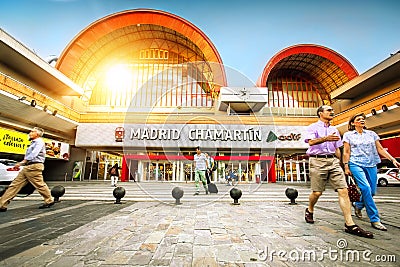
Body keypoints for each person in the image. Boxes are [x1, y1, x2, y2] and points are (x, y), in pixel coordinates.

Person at [304, 105, 373, 238]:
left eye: (332, 110)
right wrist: (325, 138)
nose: (332, 112)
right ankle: (310, 209)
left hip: (333, 161)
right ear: (320, 113)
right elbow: (311, 142)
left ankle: (349, 224)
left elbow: (337, 149)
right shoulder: (312, 127)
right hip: (317, 161)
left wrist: (341, 164)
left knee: (343, 190)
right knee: (317, 192)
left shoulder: (334, 129)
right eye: (328, 110)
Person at [342, 113, 400, 231]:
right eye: (359, 119)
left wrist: (392, 159)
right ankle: (375, 219)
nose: (362, 120)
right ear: (353, 123)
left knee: (372, 191)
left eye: (363, 119)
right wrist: (346, 166)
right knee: (365, 188)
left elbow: (380, 149)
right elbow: (346, 152)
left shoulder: (372, 134)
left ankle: (358, 205)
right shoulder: (348, 135)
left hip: (371, 163)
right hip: (355, 163)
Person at [0, 127, 54, 211]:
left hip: (34, 166)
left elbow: (34, 154)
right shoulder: (33, 142)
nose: (30, 133)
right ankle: (2, 204)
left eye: (32, 131)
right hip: (28, 167)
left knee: (39, 185)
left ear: (37, 134)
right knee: (14, 185)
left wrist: (22, 162)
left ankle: (49, 200)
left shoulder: (39, 142)